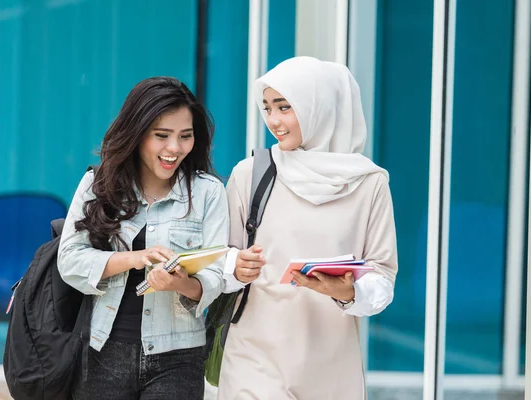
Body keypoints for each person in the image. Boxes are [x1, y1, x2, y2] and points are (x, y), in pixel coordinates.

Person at [218, 57, 398, 399]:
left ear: (321, 107)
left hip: (331, 366)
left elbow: (382, 277)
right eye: (268, 108)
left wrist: (346, 291)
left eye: (285, 107)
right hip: (254, 358)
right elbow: (219, 263)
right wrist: (236, 267)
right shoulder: (252, 173)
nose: (274, 121)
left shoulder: (369, 183)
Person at [57, 77, 229, 400]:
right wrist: (134, 258)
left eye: (185, 136)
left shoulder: (209, 193)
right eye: (161, 136)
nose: (174, 148)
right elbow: (69, 260)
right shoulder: (98, 185)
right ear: (137, 134)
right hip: (102, 353)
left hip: (178, 358)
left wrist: (180, 283)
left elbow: (217, 276)